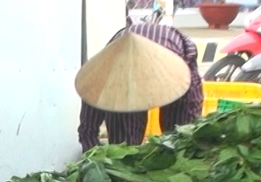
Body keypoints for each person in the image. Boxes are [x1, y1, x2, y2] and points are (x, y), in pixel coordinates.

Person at [76, 21, 204, 151]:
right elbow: (87, 130)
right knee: (124, 148)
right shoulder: (103, 74)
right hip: (123, 73)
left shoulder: (180, 72)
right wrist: (98, 161)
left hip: (174, 59)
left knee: (180, 141)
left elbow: (189, 118)